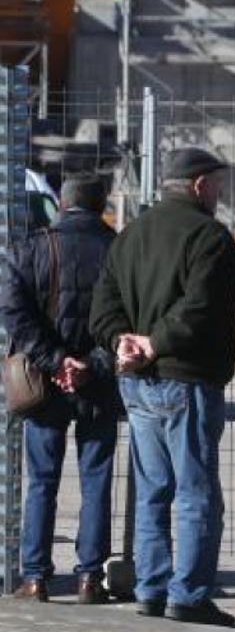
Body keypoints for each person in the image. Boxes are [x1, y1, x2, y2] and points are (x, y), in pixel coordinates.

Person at [90, 148, 235, 627]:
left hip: (136, 381)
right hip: (186, 378)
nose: (220, 194)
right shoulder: (211, 238)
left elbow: (104, 308)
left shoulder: (130, 235)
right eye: (217, 185)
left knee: (152, 489)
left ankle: (152, 588)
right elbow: (202, 311)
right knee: (196, 493)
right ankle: (189, 595)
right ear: (199, 186)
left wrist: (123, 342)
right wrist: (154, 343)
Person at [0, 175, 121, 604]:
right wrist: (90, 364)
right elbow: (130, 316)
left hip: (44, 382)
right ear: (101, 203)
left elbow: (14, 311)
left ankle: (35, 577)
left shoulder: (31, 248)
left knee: (42, 480)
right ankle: (90, 577)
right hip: (100, 382)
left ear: (62, 204)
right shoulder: (119, 249)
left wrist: (55, 361)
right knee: (96, 479)